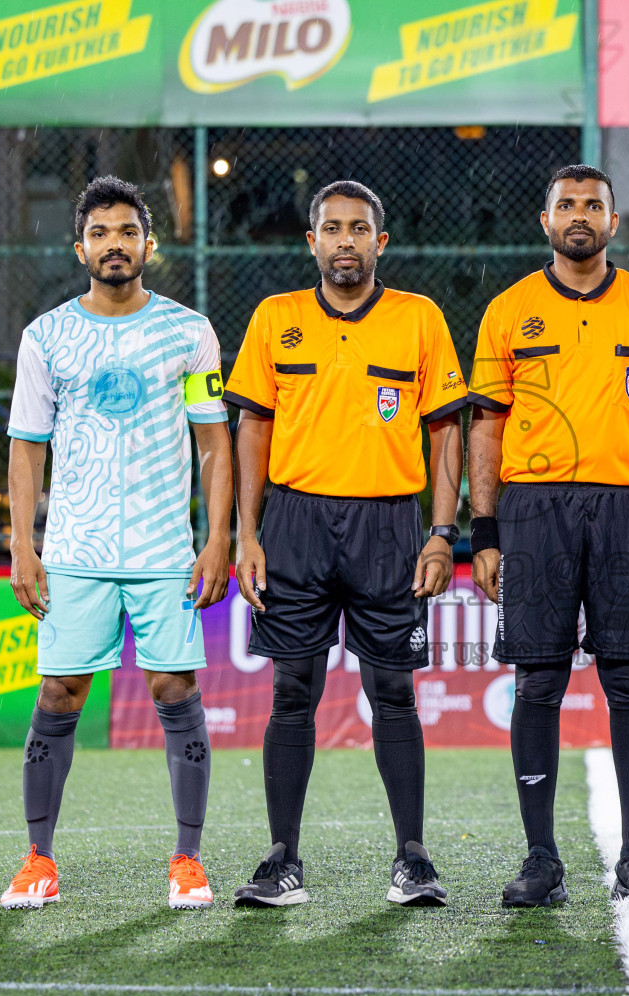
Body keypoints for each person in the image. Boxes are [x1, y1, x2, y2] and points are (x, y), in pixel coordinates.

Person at [225, 180, 466, 909]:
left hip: (390, 525)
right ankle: (280, 859)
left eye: (359, 228)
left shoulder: (418, 319)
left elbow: (446, 431)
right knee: (291, 691)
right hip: (294, 525)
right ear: (312, 242)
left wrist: (441, 533)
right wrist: (246, 534)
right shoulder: (276, 318)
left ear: (379, 242)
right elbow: (253, 429)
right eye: (332, 228)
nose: (345, 240)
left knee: (392, 691)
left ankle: (413, 858)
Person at [3, 175, 232, 910]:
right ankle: (39, 859)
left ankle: (188, 861)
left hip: (166, 548)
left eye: (126, 232)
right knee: (61, 692)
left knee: (176, 689)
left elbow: (214, 445)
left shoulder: (189, 331)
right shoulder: (46, 336)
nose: (113, 244)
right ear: (80, 248)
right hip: (76, 550)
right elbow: (26, 448)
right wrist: (21, 544)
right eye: (99, 233)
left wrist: (216, 536)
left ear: (148, 245)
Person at [468, 165, 629, 907]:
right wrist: (486, 532)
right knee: (539, 681)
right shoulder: (509, 310)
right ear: (546, 220)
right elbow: (487, 426)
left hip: (628, 508)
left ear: (613, 222)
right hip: (534, 510)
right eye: (567, 204)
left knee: (628, 680)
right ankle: (540, 861)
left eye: (594, 204)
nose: (580, 215)